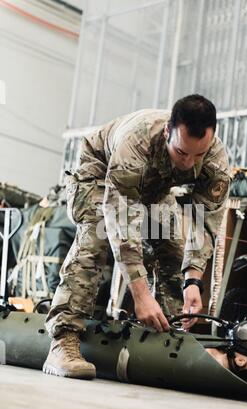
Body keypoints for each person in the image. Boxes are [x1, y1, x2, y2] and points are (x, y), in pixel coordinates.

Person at [43, 94, 231, 379]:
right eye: (181, 153)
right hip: (99, 172)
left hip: (153, 189)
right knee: (96, 237)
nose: (189, 163)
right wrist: (140, 295)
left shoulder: (215, 160)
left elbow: (203, 222)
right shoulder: (137, 142)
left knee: (171, 249)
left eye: (198, 155)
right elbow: (122, 224)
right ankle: (63, 340)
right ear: (168, 132)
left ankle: (167, 339)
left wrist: (193, 280)